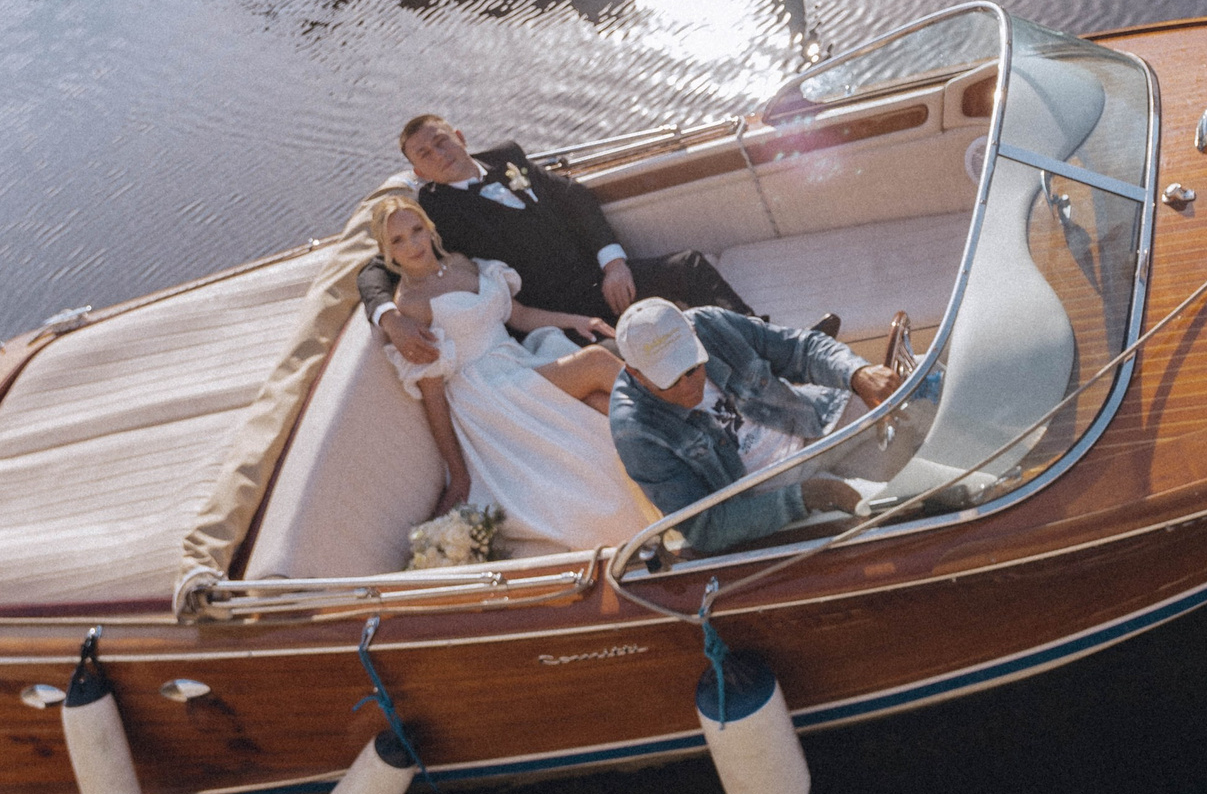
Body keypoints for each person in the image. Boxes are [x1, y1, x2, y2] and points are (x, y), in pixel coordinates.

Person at [360, 113, 759, 368]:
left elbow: (576, 198)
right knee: (636, 353)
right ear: (419, 171)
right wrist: (389, 318)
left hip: (603, 279)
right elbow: (375, 268)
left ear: (459, 136)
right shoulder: (436, 212)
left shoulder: (506, 155)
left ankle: (763, 341)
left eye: (441, 140)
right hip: (555, 313)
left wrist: (613, 263)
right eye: (425, 154)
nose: (438, 154)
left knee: (688, 266)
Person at [374, 198, 658, 556]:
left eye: (416, 230)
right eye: (398, 240)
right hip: (487, 392)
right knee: (597, 362)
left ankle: (667, 479)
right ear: (388, 253)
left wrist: (574, 321)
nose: (413, 244)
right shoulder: (410, 306)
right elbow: (432, 394)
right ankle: (684, 410)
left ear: (430, 229)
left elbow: (519, 315)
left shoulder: (462, 263)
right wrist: (458, 472)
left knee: (601, 407)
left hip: (517, 361)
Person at [607, 299, 934, 556]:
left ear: (694, 337)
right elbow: (706, 527)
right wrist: (805, 497)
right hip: (777, 491)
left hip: (813, 418)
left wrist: (857, 373)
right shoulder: (634, 431)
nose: (689, 385)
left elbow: (800, 348)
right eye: (670, 381)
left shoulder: (710, 323)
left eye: (692, 368)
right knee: (911, 512)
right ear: (636, 375)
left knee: (927, 382)